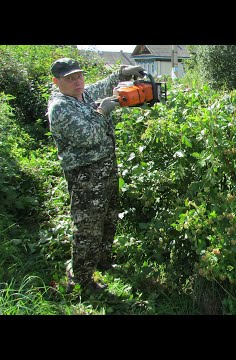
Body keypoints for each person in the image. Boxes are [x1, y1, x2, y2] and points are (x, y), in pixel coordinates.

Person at [47, 57, 144, 291]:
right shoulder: (61, 107)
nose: (77, 82)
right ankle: (80, 279)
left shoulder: (84, 94)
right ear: (56, 81)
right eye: (70, 79)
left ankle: (102, 261)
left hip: (106, 169)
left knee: (109, 218)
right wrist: (102, 112)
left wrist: (124, 72)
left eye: (79, 76)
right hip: (85, 176)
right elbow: (88, 137)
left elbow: (104, 84)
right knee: (88, 228)